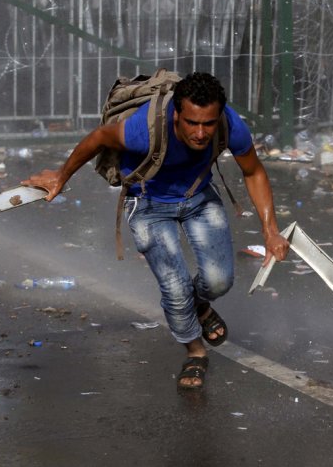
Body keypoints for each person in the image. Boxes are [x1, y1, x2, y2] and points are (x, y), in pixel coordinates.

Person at [23, 72, 290, 390]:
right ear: (177, 113)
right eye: (192, 122)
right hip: (148, 202)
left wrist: (270, 231)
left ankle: (201, 305)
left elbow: (254, 170)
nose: (201, 133)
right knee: (176, 292)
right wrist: (61, 175)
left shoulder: (230, 124)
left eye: (209, 123)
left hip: (198, 197)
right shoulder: (144, 129)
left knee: (219, 281)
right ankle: (195, 351)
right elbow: (99, 138)